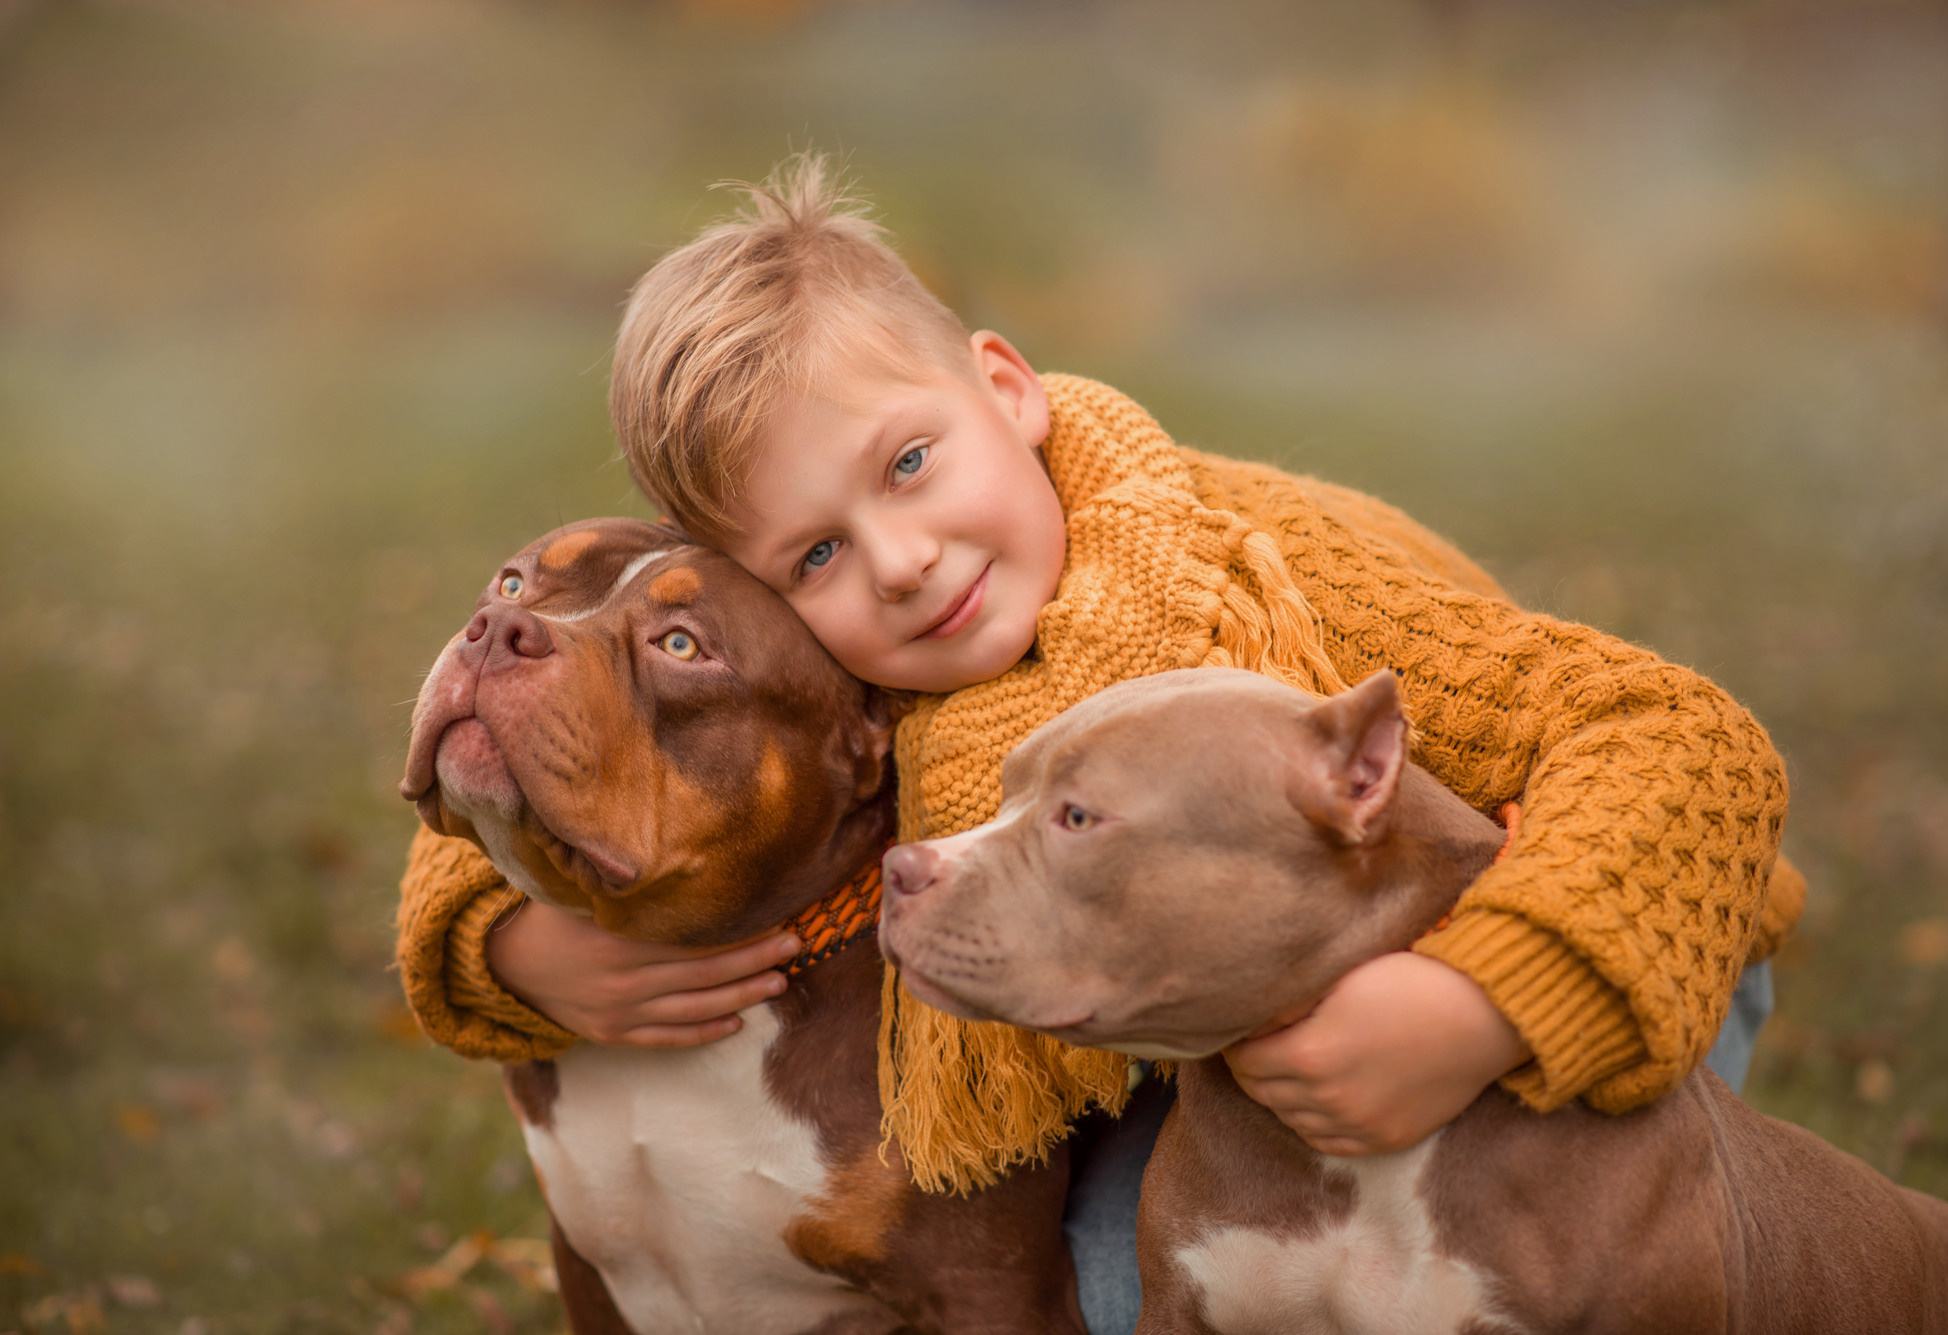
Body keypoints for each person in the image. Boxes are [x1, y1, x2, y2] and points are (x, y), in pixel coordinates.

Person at [396, 154, 1805, 1334]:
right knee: (1125, 1277)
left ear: (1007, 389)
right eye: (817, 549)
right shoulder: (853, 664)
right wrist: (507, 941)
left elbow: (1682, 742)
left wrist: (1485, 1005)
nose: (899, 559)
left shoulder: (1260, 573)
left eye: (909, 462)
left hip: (1588, 951)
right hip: (1195, 1016)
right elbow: (563, 741)